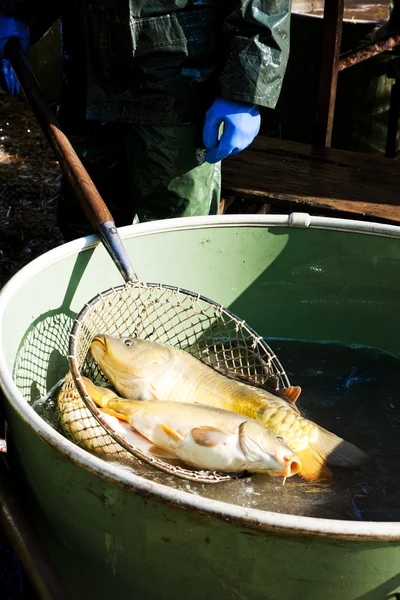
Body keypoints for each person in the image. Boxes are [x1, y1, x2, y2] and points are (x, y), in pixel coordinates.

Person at [0, 1, 291, 241]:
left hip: (181, 84)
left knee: (177, 233)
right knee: (84, 231)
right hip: (88, 74)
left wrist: (247, 84)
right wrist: (18, 12)